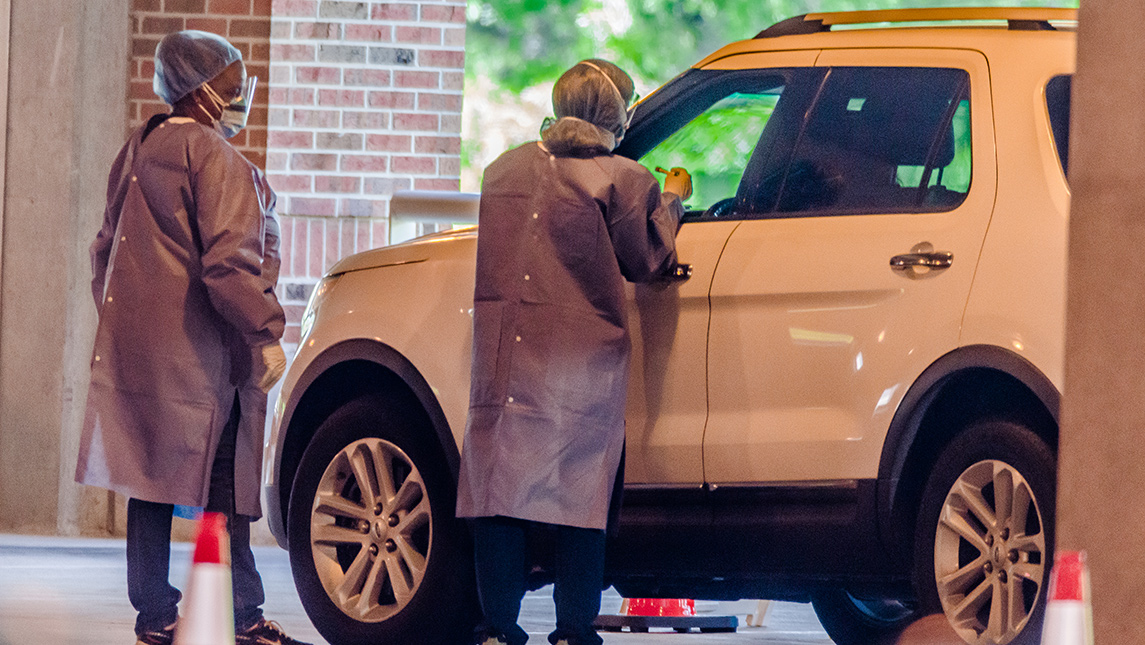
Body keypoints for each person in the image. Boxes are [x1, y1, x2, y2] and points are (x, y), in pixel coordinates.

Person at [74, 30, 308, 645]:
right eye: (230, 83)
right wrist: (264, 332)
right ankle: (245, 616)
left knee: (148, 482)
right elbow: (230, 266)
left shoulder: (138, 148)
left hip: (142, 358)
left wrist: (133, 326)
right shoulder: (215, 158)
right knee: (224, 490)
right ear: (199, 89)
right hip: (206, 363)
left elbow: (105, 255)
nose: (238, 94)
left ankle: (155, 616)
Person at [455, 59, 693, 645]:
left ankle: (497, 627)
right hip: (579, 370)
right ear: (618, 113)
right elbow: (648, 261)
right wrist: (676, 199)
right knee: (581, 498)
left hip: (504, 365)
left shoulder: (501, 170)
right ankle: (572, 630)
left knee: (499, 495)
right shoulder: (625, 179)